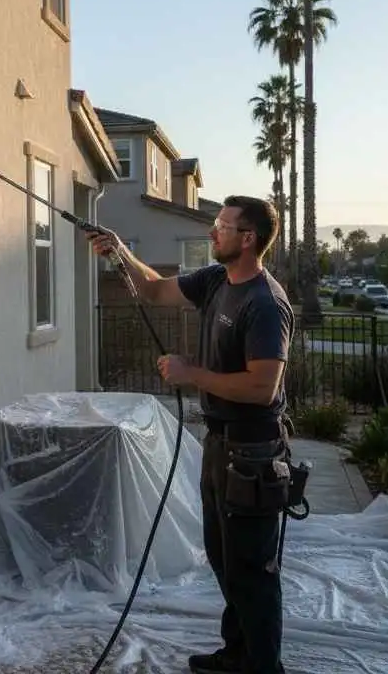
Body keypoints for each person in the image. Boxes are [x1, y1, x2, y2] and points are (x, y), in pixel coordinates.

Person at [89, 195, 293, 674]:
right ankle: (238, 653)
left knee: (252, 570)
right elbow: (156, 289)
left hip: (254, 451)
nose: (211, 232)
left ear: (247, 239)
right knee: (225, 560)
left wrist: (190, 373)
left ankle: (264, 667)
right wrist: (119, 250)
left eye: (221, 226)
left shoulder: (265, 303)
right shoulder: (218, 280)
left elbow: (264, 387)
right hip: (221, 446)